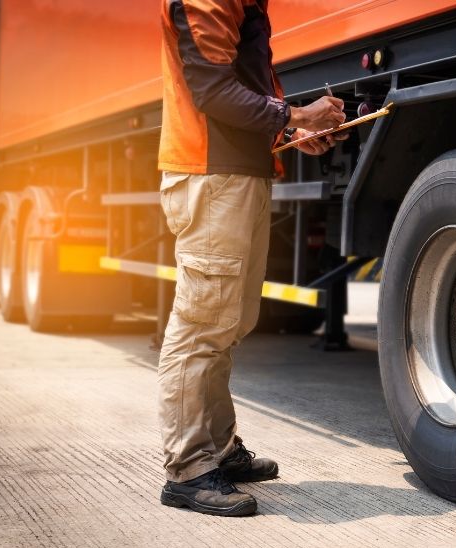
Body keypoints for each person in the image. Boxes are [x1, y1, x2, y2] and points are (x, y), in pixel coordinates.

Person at [156, 0, 346, 517]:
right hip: (211, 175)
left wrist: (290, 131)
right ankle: (189, 470)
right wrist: (296, 114)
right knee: (201, 325)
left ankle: (218, 448)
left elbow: (241, 84)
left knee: (228, 321)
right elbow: (211, 89)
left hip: (236, 173)